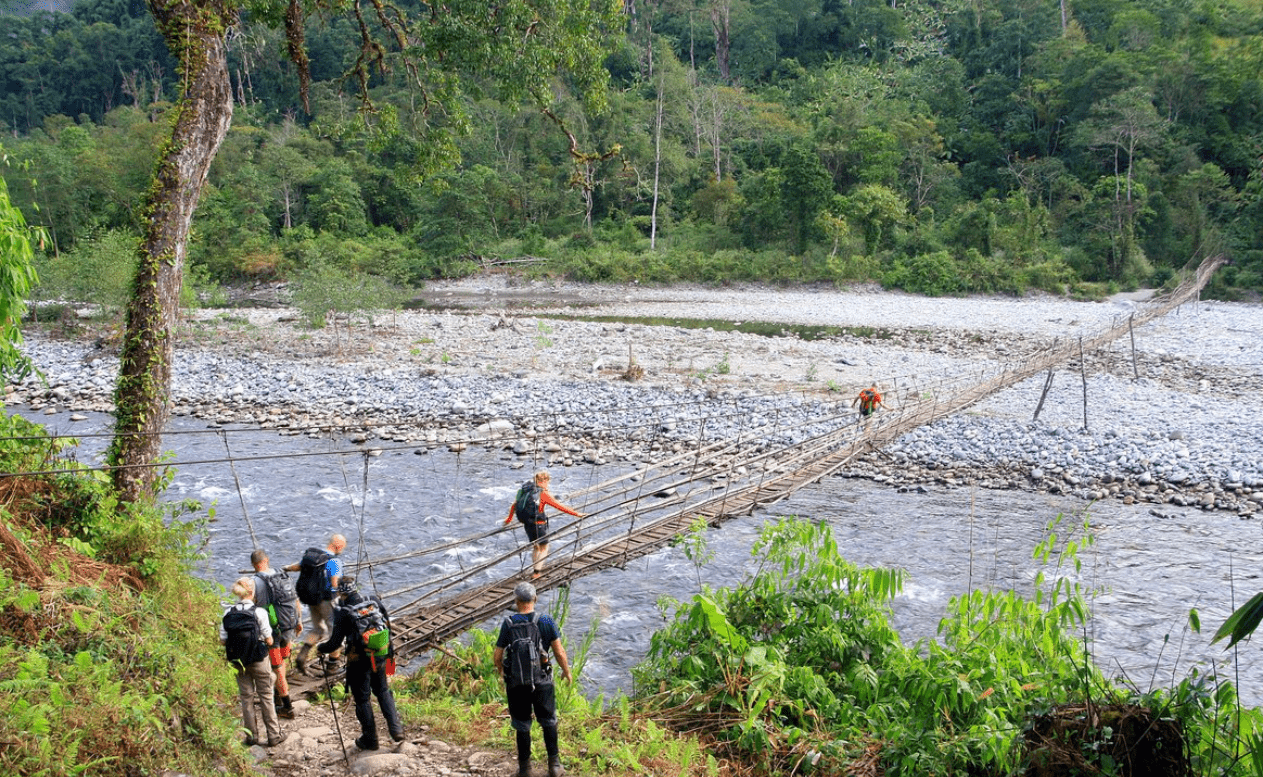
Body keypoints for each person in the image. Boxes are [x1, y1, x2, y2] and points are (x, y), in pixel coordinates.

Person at [494, 582, 573, 777]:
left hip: (517, 682)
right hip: (542, 681)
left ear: (516, 601)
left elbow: (498, 655)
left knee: (521, 724)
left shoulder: (509, 623)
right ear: (535, 599)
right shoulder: (545, 620)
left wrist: (501, 671)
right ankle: (554, 766)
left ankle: (525, 769)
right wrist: (566, 671)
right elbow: (559, 651)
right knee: (548, 721)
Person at [318, 578, 404, 751]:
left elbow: (334, 643)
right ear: (355, 588)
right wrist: (390, 654)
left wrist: (321, 648)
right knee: (383, 691)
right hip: (379, 653)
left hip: (359, 662)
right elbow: (387, 625)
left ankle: (370, 740)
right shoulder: (373, 600)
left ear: (341, 593)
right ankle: (396, 730)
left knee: (363, 699)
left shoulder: (343, 612)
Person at [220, 576, 284, 748]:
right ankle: (273, 736)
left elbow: (223, 641)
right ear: (252, 592)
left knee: (246, 698)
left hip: (238, 662)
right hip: (258, 659)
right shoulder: (259, 612)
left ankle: (251, 737)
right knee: (266, 696)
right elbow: (270, 640)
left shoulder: (228, 613)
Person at [251, 548, 303, 718]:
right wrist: (299, 621)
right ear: (267, 560)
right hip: (289, 625)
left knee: (277, 667)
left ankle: (286, 706)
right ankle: (280, 692)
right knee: (282, 662)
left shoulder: (254, 582)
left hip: (272, 631)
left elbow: (252, 606)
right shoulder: (282, 574)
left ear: (254, 565)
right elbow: (295, 600)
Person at [504, 470, 584, 579]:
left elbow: (514, 505)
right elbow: (559, 506)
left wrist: (508, 520)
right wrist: (577, 514)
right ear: (545, 480)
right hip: (539, 524)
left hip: (527, 525)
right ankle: (536, 573)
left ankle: (535, 569)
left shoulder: (526, 492)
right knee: (544, 547)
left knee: (536, 547)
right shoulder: (543, 493)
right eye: (547, 481)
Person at [288, 533, 347, 676]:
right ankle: (332, 665)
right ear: (338, 546)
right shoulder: (334, 561)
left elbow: (297, 567)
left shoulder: (314, 557)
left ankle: (302, 655)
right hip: (328, 600)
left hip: (312, 599)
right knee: (335, 631)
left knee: (318, 629)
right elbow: (334, 583)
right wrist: (344, 597)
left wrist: (285, 569)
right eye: (342, 547)